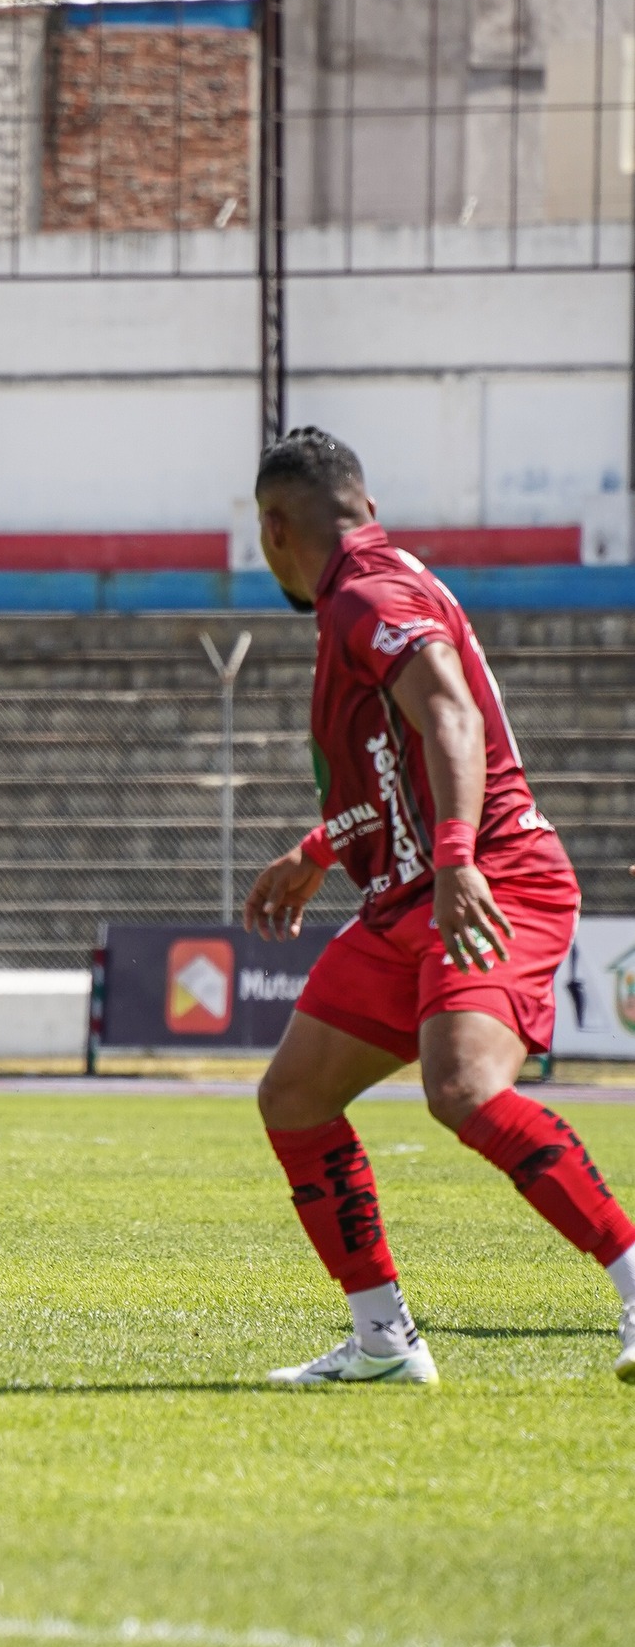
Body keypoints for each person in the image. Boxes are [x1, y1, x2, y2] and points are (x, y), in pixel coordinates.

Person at [242, 428, 635, 1386]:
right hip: (406, 896)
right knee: (293, 1095)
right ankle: (382, 1339)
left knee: (461, 1088)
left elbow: (449, 715)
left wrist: (459, 860)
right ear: (364, 510)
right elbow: (398, 759)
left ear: (273, 528)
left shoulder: (367, 597)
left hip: (490, 876)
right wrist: (322, 846)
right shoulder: (372, 586)